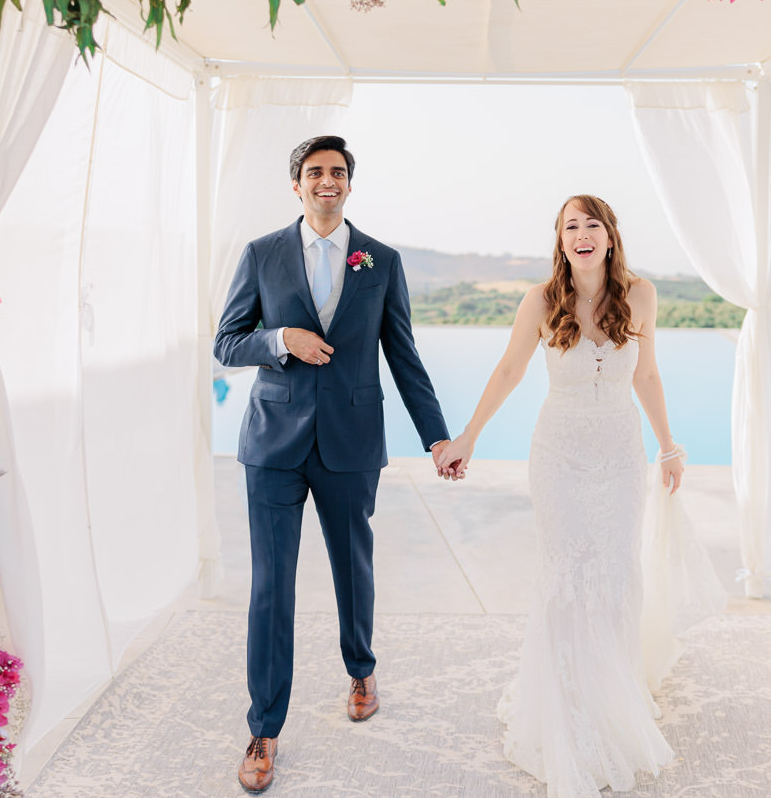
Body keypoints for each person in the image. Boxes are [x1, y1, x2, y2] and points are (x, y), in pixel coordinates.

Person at [214, 136, 459, 794]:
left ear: (349, 184)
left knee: (354, 566)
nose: (328, 180)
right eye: (316, 172)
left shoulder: (380, 259)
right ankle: (264, 729)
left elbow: (403, 356)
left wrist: (436, 437)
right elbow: (227, 342)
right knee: (272, 588)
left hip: (352, 441)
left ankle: (361, 668)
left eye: (338, 172)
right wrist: (280, 339)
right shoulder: (261, 253)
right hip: (272, 445)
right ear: (296, 185)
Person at [436, 194, 685, 798]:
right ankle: (565, 700)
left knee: (616, 571)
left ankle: (613, 690)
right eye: (570, 226)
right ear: (560, 240)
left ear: (609, 234)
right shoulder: (541, 302)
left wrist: (669, 446)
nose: (581, 234)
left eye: (591, 224)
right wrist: (467, 437)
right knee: (567, 571)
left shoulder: (642, 294)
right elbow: (508, 371)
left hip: (621, 456)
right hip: (560, 456)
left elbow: (647, 375)